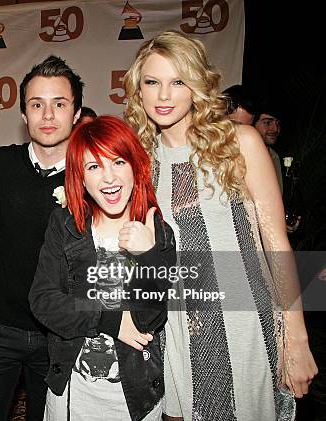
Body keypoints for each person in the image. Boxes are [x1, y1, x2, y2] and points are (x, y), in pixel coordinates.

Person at [123, 30, 317, 420]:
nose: (164, 96)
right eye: (152, 82)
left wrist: (296, 336)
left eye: (178, 81)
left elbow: (275, 241)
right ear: (138, 91)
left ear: (196, 85)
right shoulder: (140, 160)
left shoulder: (239, 142)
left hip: (240, 319)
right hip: (175, 325)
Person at [29, 115, 176, 420]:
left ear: (136, 167)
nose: (109, 178)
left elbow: (150, 317)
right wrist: (108, 318)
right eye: (94, 167)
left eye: (118, 162)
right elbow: (43, 301)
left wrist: (147, 254)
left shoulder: (157, 231)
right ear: (80, 178)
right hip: (72, 390)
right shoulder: (66, 225)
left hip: (136, 396)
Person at [0, 55, 83, 421]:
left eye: (59, 104)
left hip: (60, 335)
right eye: (37, 105)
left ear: (76, 114)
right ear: (23, 115)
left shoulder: (95, 176)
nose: (48, 116)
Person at [254, 99, 284, 193]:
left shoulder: (274, 155)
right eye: (267, 123)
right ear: (253, 124)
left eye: (277, 123)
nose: (275, 129)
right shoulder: (243, 156)